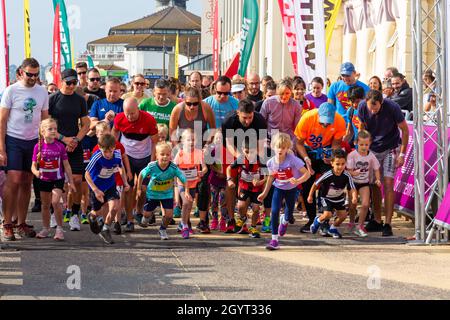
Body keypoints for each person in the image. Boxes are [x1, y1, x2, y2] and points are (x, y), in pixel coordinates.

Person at [1, 58, 49, 241]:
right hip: (13, 139)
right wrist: (2, 149)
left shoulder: (42, 91)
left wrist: (43, 145)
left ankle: (21, 222)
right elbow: (2, 120)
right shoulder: (11, 90)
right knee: (13, 179)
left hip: (33, 141)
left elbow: (45, 120)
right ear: (21, 72)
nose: (33, 78)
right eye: (30, 74)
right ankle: (7, 222)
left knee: (27, 181)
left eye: (36, 75)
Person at [358, 90, 409, 237]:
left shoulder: (393, 107)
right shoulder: (362, 107)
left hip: (390, 147)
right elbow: (362, 127)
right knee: (374, 184)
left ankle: (388, 223)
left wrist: (402, 154)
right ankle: (377, 219)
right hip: (372, 148)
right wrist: (361, 149)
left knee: (387, 183)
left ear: (382, 102)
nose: (373, 111)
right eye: (370, 108)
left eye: (376, 108)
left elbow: (405, 130)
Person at [294, 102, 346, 233]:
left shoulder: (339, 121)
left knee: (327, 184)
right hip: (308, 151)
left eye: (328, 122)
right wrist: (306, 159)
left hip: (326, 151)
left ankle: (324, 220)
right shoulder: (307, 118)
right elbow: (298, 143)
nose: (325, 125)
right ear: (318, 116)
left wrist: (332, 157)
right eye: (323, 122)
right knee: (307, 184)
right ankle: (312, 219)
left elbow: (336, 144)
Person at [49, 69, 91, 232]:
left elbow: (86, 124)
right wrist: (62, 138)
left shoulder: (80, 100)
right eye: (69, 82)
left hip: (75, 144)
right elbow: (46, 125)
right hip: (56, 144)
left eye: (75, 82)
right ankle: (54, 212)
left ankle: (74, 213)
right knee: (56, 181)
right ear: (62, 81)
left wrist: (76, 140)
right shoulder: (52, 99)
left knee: (77, 181)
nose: (72, 85)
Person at [112, 98, 159, 232]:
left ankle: (139, 211)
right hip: (128, 157)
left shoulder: (149, 119)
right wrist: (115, 150)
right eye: (127, 113)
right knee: (128, 189)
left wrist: (152, 162)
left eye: (133, 113)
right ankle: (130, 219)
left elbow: (155, 142)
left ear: (138, 109)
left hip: (145, 157)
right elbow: (114, 132)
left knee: (144, 188)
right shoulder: (120, 118)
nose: (130, 116)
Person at [257, 133, 311, 250]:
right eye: (278, 147)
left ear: (288, 148)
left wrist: (297, 181)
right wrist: (265, 193)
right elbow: (271, 177)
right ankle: (274, 240)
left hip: (291, 190)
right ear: (273, 147)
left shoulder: (293, 160)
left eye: (283, 147)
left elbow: (307, 173)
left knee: (289, 213)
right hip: (278, 188)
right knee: (274, 211)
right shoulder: (270, 162)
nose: (280, 150)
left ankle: (285, 221)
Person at [222, 99, 268, 233]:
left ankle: (249, 216)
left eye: (250, 117)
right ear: (238, 113)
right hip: (235, 150)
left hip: (254, 150)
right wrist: (239, 157)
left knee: (252, 181)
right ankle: (231, 219)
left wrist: (254, 162)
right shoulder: (229, 120)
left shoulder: (259, 120)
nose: (247, 121)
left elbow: (261, 144)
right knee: (231, 183)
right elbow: (229, 143)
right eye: (244, 118)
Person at [136, 142, 191, 240]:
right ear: (156, 155)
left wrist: (186, 191)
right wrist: (139, 189)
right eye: (162, 154)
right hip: (153, 194)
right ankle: (145, 217)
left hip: (167, 195)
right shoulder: (152, 166)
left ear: (171, 155)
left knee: (169, 215)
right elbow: (141, 175)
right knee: (147, 214)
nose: (165, 157)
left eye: (167, 154)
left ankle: (162, 229)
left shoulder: (173, 168)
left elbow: (184, 179)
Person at [31, 118, 75, 241]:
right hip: (44, 179)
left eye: (55, 129)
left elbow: (66, 165)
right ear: (42, 131)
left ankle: (59, 229)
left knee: (55, 202)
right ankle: (45, 228)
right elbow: (33, 165)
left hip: (58, 179)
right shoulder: (37, 147)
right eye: (50, 129)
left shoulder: (60, 146)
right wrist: (36, 172)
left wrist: (71, 181)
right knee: (45, 205)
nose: (53, 131)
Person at [85, 134, 130, 244]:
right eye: (105, 152)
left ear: (114, 147)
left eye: (111, 151)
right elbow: (86, 175)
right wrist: (95, 190)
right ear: (100, 148)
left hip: (110, 185)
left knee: (115, 207)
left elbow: (121, 167)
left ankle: (105, 229)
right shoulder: (97, 157)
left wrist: (125, 182)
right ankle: (91, 216)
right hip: (97, 187)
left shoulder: (117, 155)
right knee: (97, 212)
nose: (108, 154)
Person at [92, 121, 132, 235]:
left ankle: (117, 222)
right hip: (103, 179)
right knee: (105, 204)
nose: (103, 136)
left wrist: (128, 172)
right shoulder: (96, 149)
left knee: (117, 202)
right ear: (97, 135)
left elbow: (124, 158)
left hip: (117, 177)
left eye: (105, 133)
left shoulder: (118, 145)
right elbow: (93, 168)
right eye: (100, 133)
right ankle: (105, 221)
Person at [309, 149, 357, 239]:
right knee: (328, 214)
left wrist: (354, 197)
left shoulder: (347, 175)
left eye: (343, 164)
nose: (340, 167)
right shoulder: (328, 174)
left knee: (343, 215)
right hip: (326, 198)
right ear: (332, 163)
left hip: (339, 198)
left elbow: (352, 187)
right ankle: (317, 220)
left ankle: (333, 228)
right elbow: (316, 184)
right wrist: (310, 195)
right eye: (337, 164)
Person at [227, 139, 267, 239]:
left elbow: (268, 176)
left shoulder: (261, 160)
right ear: (242, 150)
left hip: (256, 188)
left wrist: (260, 182)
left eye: (252, 152)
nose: (249, 155)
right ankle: (242, 217)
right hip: (244, 186)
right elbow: (229, 168)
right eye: (247, 152)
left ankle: (253, 228)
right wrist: (229, 180)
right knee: (240, 206)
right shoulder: (241, 159)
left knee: (256, 208)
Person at [173, 129, 208, 238]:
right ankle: (184, 226)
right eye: (188, 140)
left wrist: (202, 171)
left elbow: (205, 167)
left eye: (193, 140)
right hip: (182, 184)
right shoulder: (180, 154)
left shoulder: (199, 153)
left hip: (193, 183)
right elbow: (174, 167)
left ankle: (182, 223)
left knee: (188, 206)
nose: (191, 142)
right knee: (186, 203)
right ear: (183, 141)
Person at [347, 130, 382, 237]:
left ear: (370, 144)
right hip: (352, 183)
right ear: (356, 143)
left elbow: (376, 168)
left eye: (366, 144)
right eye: (361, 144)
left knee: (366, 204)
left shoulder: (371, 156)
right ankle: (352, 223)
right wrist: (354, 172)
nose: (364, 147)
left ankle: (360, 226)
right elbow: (348, 170)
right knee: (352, 205)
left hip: (364, 183)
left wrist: (378, 179)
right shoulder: (352, 155)